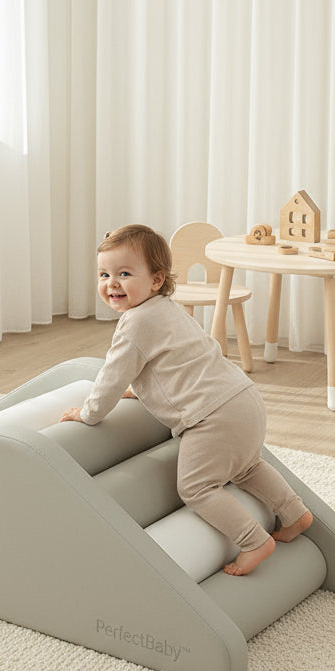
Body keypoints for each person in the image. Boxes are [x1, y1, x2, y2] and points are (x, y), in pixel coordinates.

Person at [60, 224, 312, 575]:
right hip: (244, 398)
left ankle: (254, 540)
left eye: (124, 273)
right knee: (247, 466)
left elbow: (111, 378)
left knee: (196, 488)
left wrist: (87, 414)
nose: (111, 283)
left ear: (156, 280)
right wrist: (140, 390)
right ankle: (295, 514)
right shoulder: (169, 309)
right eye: (104, 273)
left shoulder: (134, 324)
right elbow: (172, 364)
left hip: (212, 417)